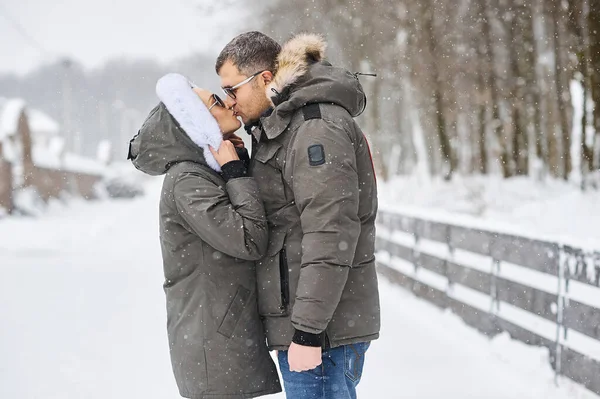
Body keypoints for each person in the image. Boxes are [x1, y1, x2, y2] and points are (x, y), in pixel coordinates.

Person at [216, 32, 381, 399]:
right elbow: (286, 219)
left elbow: (330, 231)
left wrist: (307, 331)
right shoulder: (286, 127)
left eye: (232, 89)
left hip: (323, 334)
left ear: (263, 78)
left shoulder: (315, 128)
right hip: (309, 326)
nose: (230, 102)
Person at [128, 73, 281, 399]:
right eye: (214, 102)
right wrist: (235, 173)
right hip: (214, 345)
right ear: (195, 124)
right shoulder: (187, 181)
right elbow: (250, 240)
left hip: (222, 337)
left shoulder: (202, 172)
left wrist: (235, 165)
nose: (227, 101)